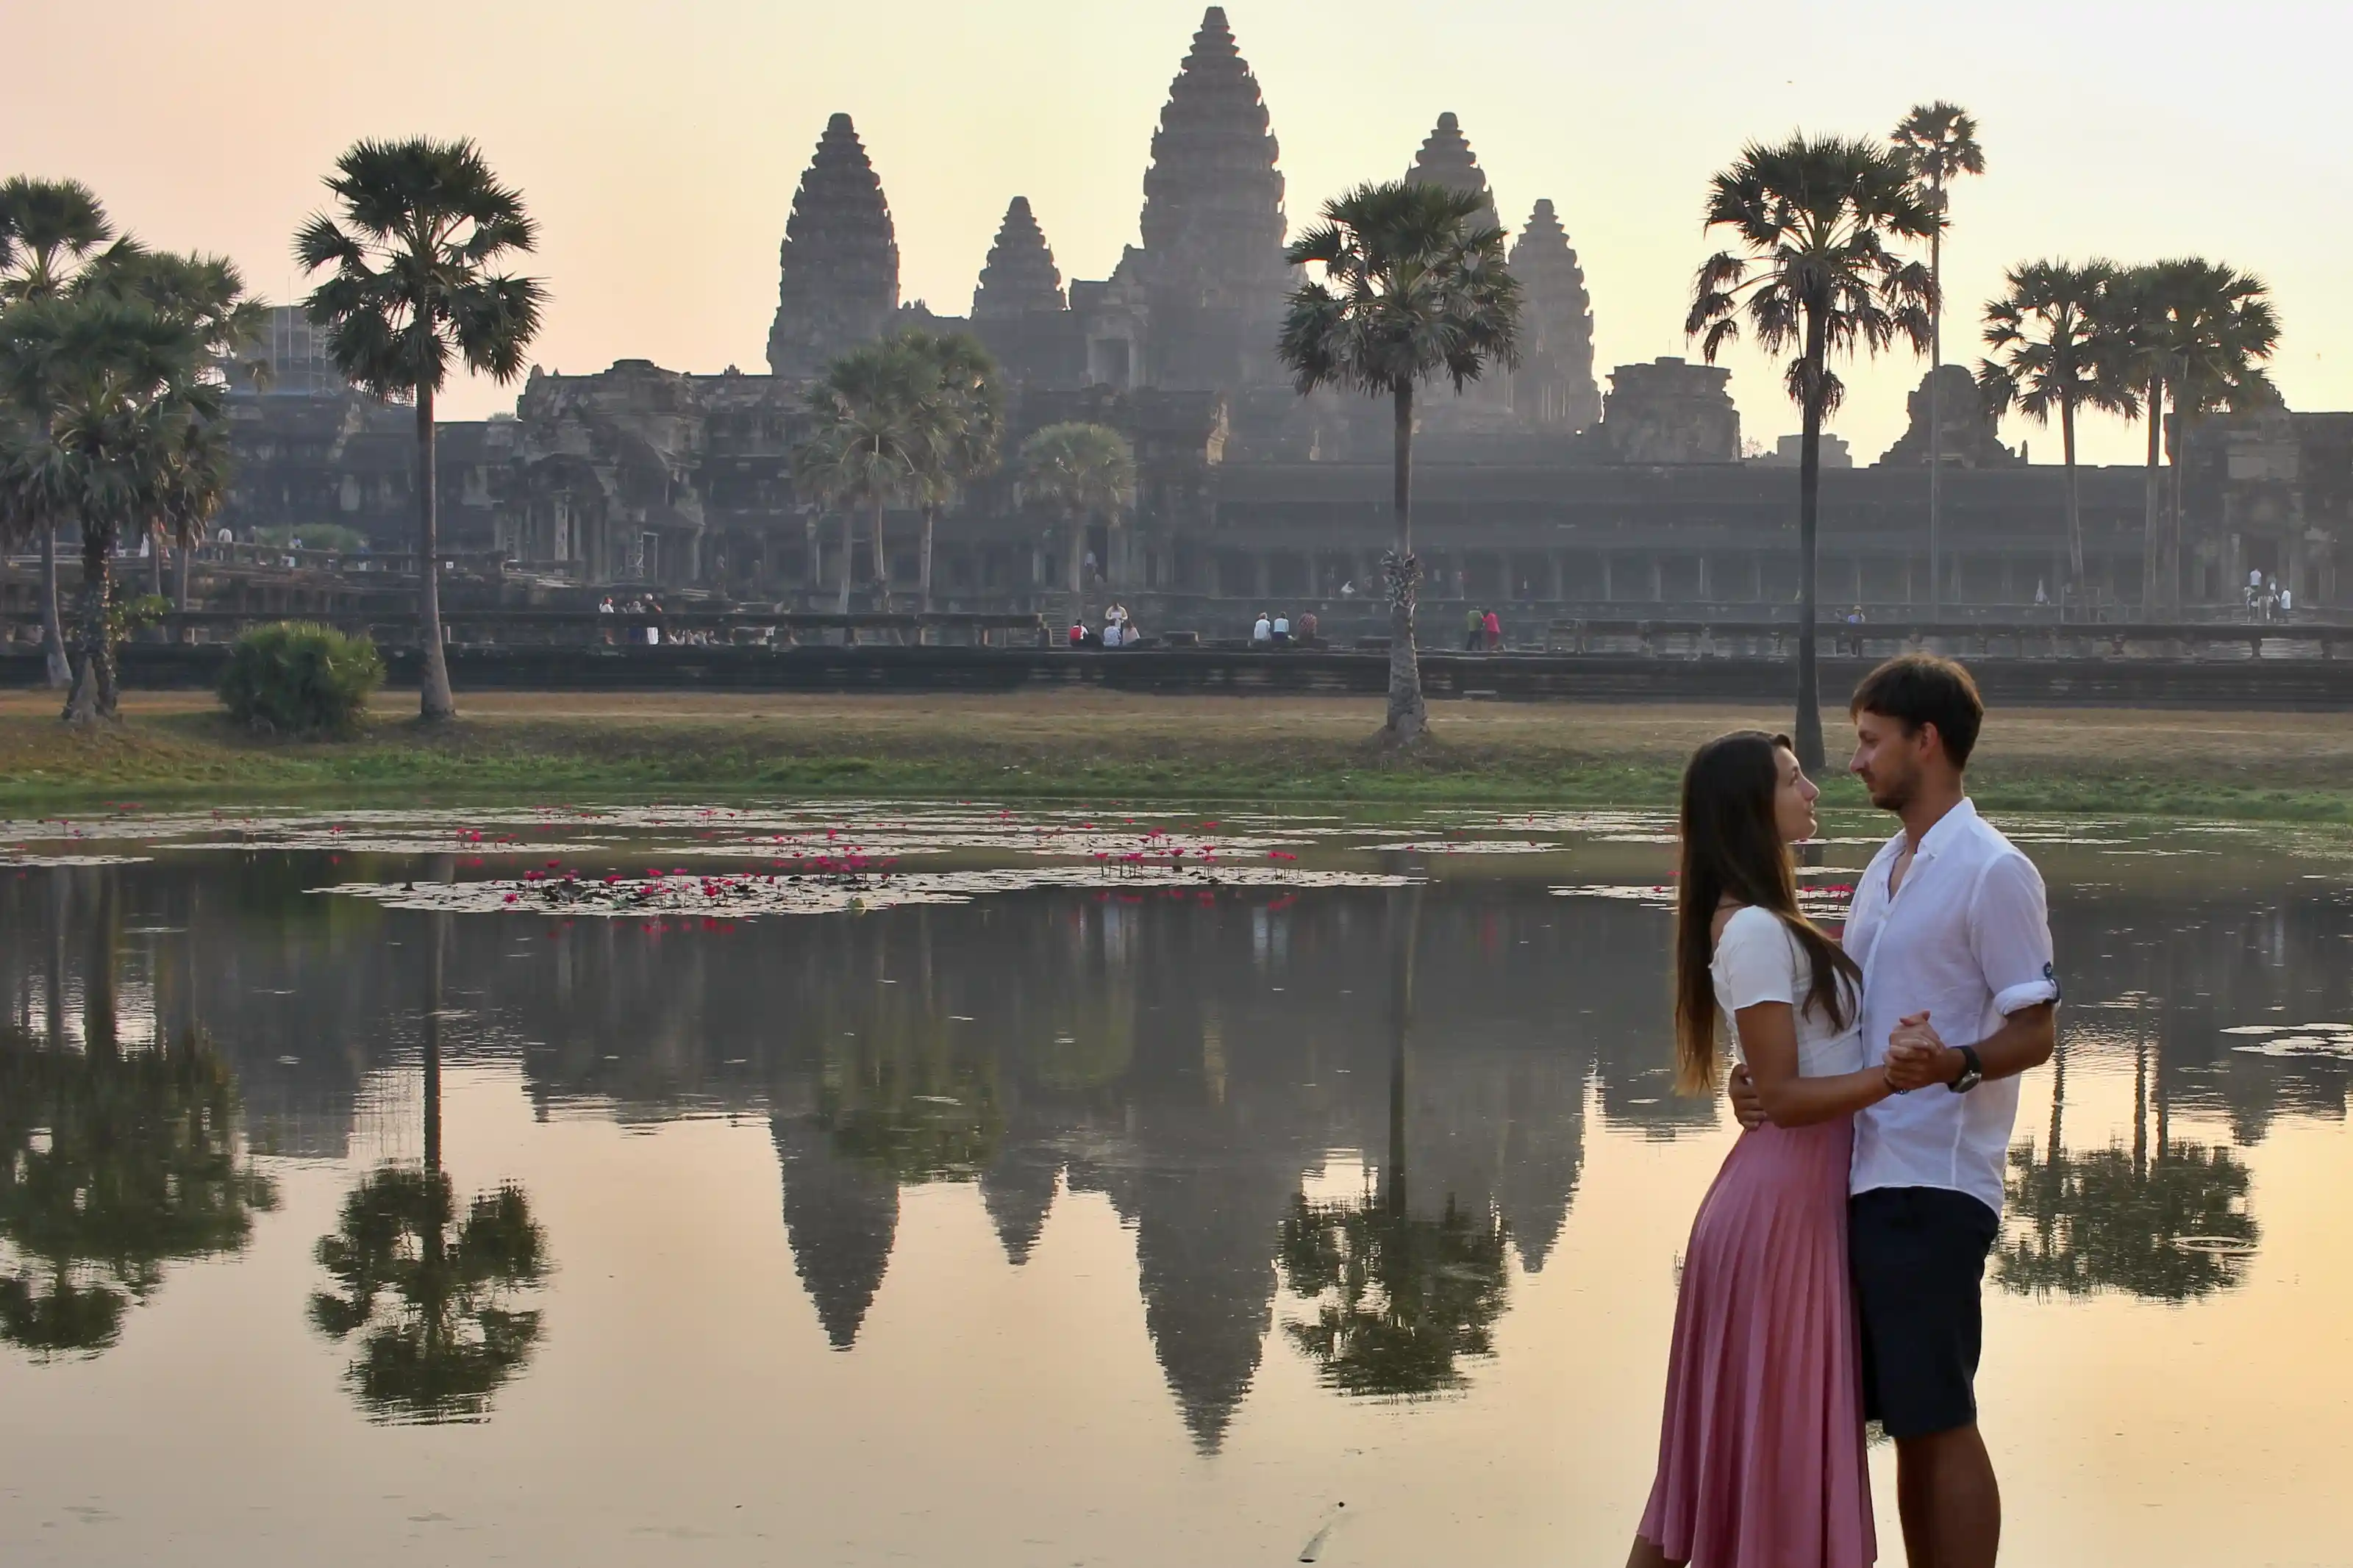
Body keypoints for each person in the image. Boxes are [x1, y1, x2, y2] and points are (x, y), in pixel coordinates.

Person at [1729, 654, 2059, 1568]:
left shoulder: (1992, 870)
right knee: (1907, 1414)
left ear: (1927, 742)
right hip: (1865, 1169)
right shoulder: (1884, 866)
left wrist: (1952, 1064)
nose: (1855, 762)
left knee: (1936, 1409)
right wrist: (1759, 1081)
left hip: (1934, 1179)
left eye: (1871, 742)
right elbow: (1854, 1017)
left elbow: (2033, 1031)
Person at [1627, 731, 1888, 1568]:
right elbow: (1779, 1094)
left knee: (1733, 1462)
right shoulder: (1751, 932)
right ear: (1750, 806)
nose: (1812, 788)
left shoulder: (1765, 925)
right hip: (1778, 1213)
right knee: (1737, 1462)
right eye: (1789, 778)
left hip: (1792, 1203)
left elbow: (1771, 1079)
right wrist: (1899, 1077)